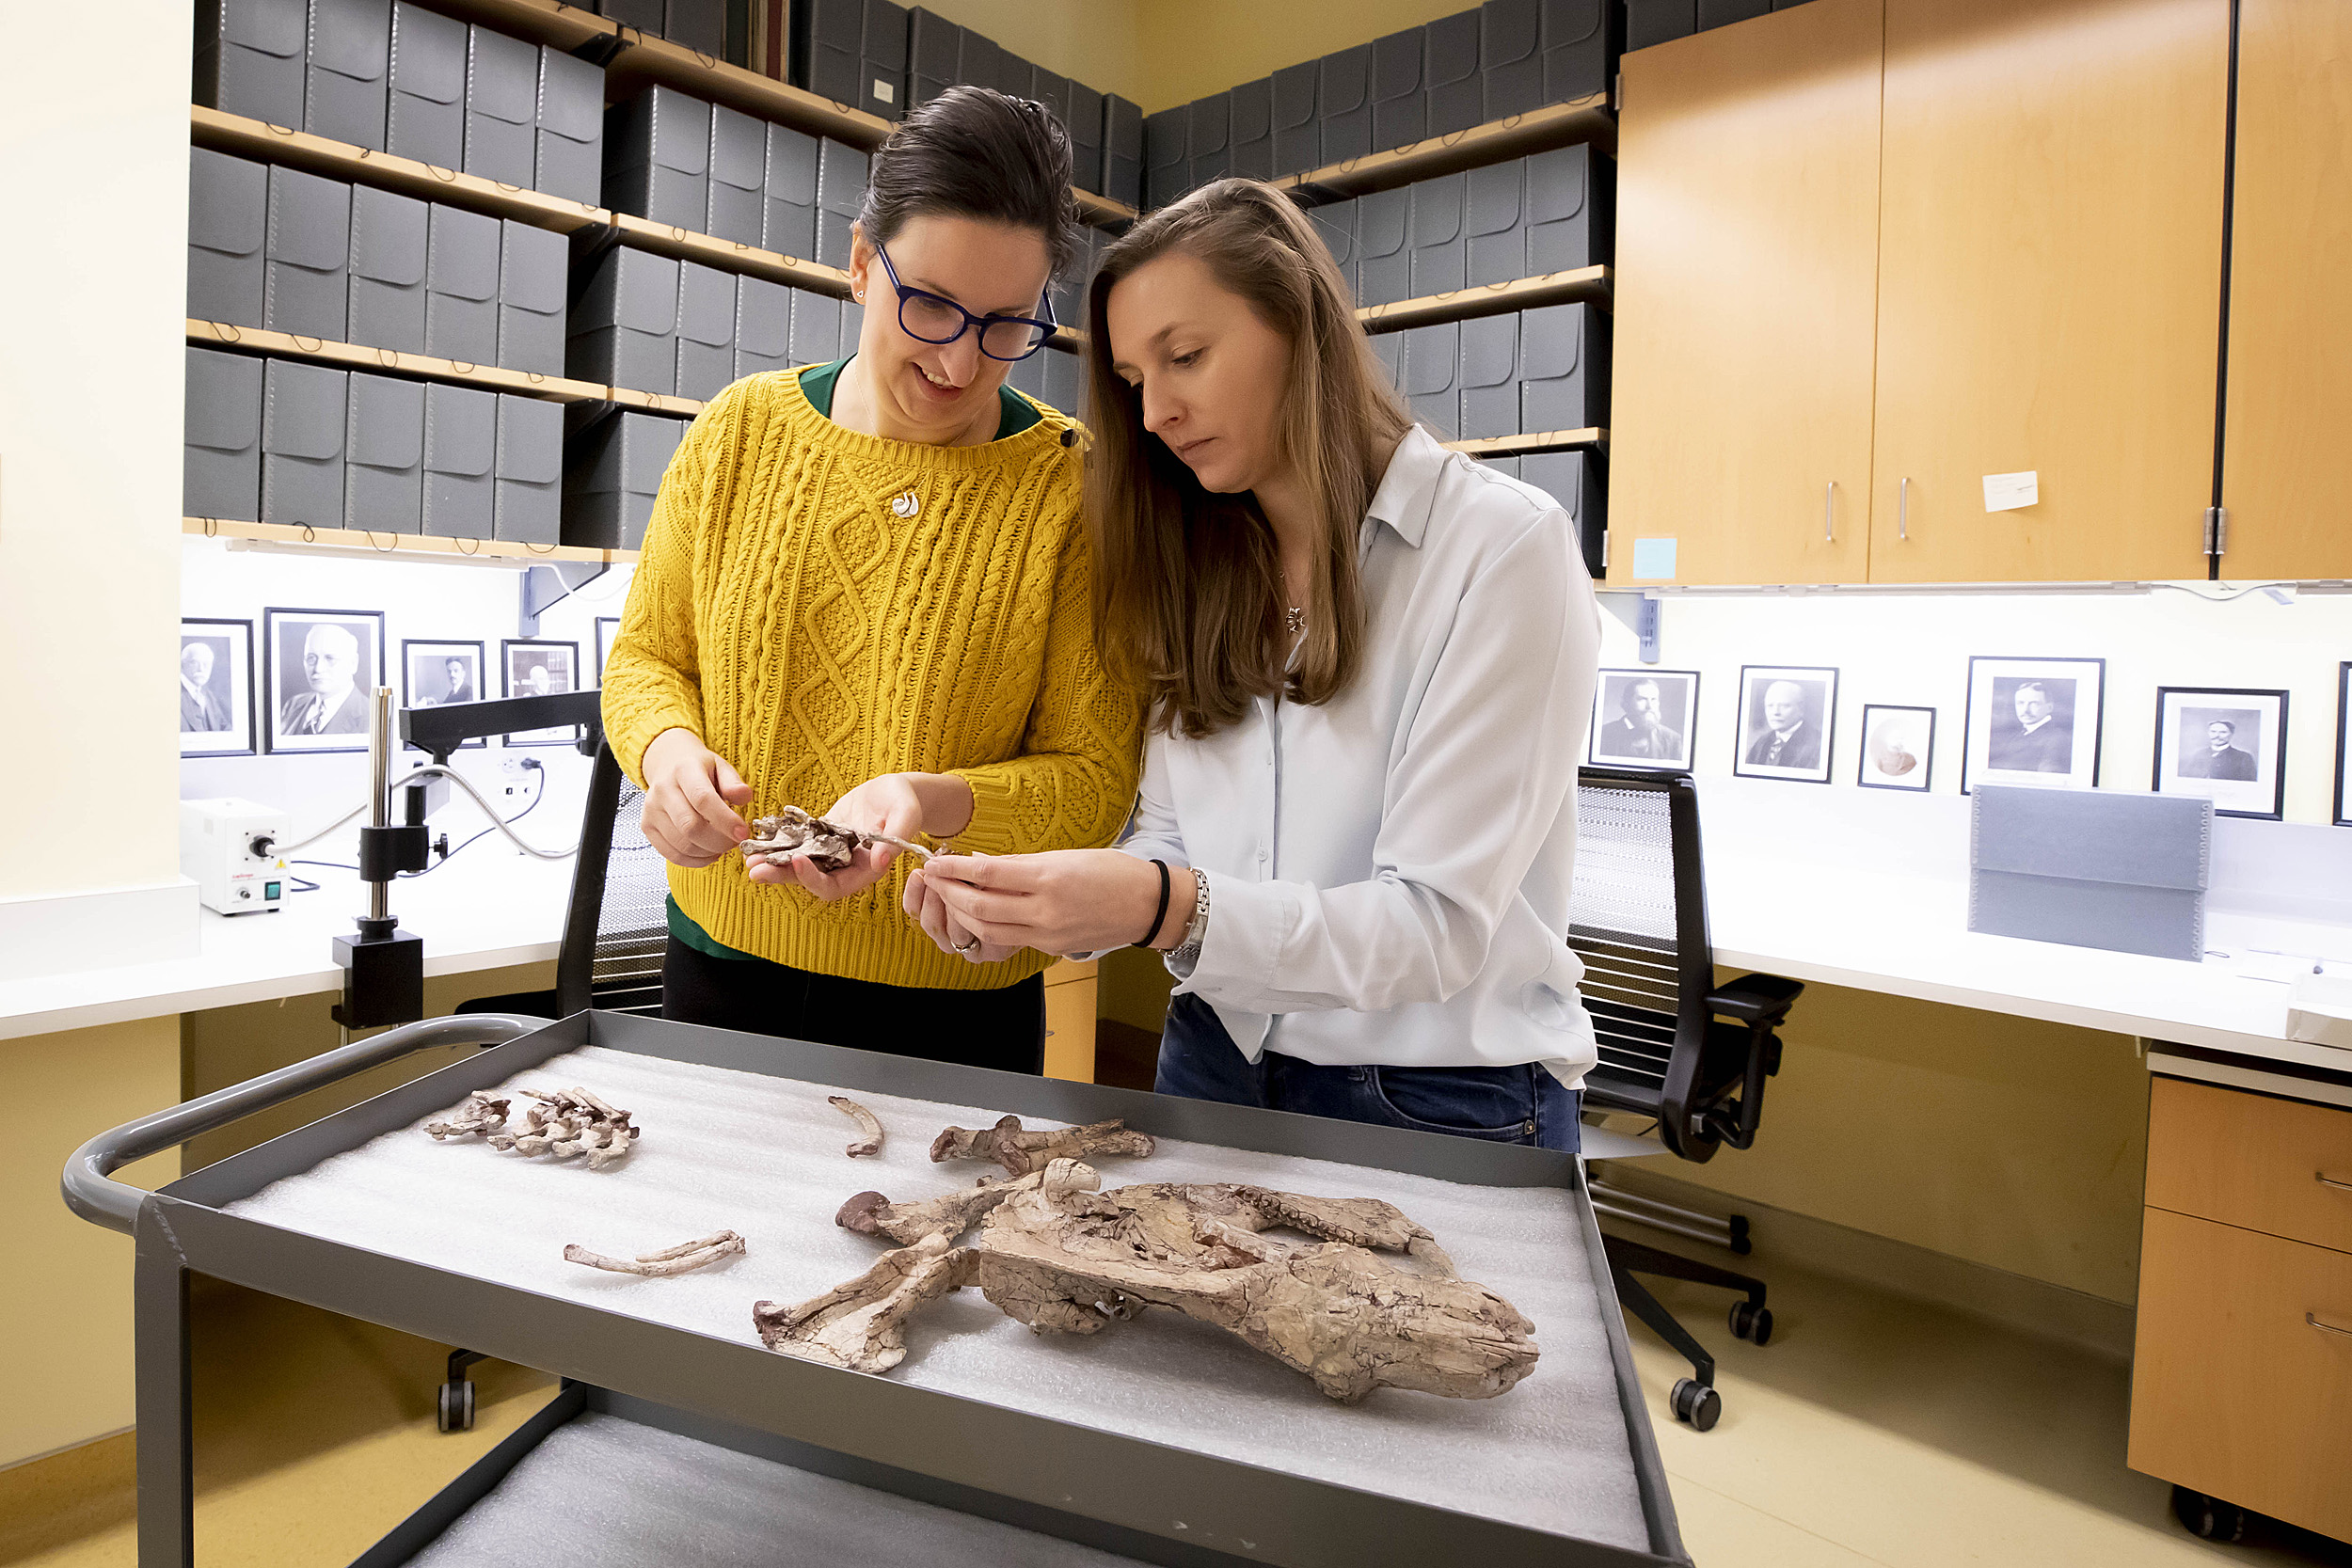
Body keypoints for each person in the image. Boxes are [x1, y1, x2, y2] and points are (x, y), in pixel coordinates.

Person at [908, 179, 1600, 1151]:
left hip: (1437, 1095)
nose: (1154, 413)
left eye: (1185, 356)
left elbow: (1434, 925)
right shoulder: (1194, 564)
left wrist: (1158, 907)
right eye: (1136, 380)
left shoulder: (1500, 549)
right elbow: (1165, 836)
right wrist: (1047, 910)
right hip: (1210, 1057)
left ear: (1298, 324)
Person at [601, 87, 1142, 1075]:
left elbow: (1094, 781)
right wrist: (669, 754)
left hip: (955, 1014)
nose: (957, 359)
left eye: (1006, 324)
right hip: (719, 971)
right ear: (860, 264)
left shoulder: (1075, 486)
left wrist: (926, 799)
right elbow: (646, 657)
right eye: (929, 304)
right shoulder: (739, 432)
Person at [278, 623, 367, 736]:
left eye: (330, 658)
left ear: (353, 663)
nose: (318, 669)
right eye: (311, 658)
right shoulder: (293, 705)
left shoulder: (370, 715)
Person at [1594, 676, 1681, 762]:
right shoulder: (1603, 734)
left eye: (1653, 699)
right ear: (1625, 703)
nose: (1649, 706)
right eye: (1642, 699)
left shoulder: (1673, 739)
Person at [1988, 681, 2070, 772]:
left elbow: (2047, 778)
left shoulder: (2056, 738)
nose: (2025, 710)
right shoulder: (2017, 733)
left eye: (2034, 703)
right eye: (2020, 703)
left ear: (2049, 707)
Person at [1743, 680, 1817, 768]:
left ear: (1801, 708)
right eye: (1770, 706)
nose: (1775, 712)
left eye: (1784, 706)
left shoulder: (1817, 744)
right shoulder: (1762, 742)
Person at [2182, 719, 2257, 781]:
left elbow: (2248, 785)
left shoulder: (2243, 757)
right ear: (2208, 733)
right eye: (2213, 732)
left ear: (2231, 734)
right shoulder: (2199, 754)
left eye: (2223, 732)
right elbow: (2186, 779)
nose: (2217, 736)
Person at [179, 641, 227, 731]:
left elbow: (225, 728)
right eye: (195, 663)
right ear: (182, 665)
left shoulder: (208, 695)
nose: (201, 669)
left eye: (206, 664)